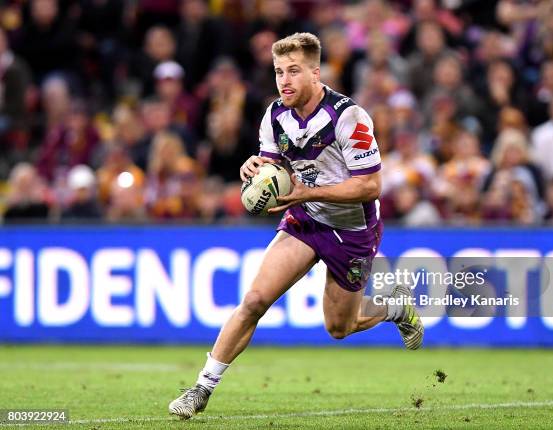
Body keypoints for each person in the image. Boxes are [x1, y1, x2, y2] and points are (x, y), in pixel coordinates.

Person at [168, 32, 423, 419]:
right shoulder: (275, 116)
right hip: (305, 220)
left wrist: (306, 193)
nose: (284, 81)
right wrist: (253, 169)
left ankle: (395, 309)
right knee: (254, 301)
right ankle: (200, 389)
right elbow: (271, 165)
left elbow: (370, 186)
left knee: (339, 328)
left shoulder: (348, 117)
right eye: (278, 72)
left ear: (315, 73)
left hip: (352, 230)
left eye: (293, 71)